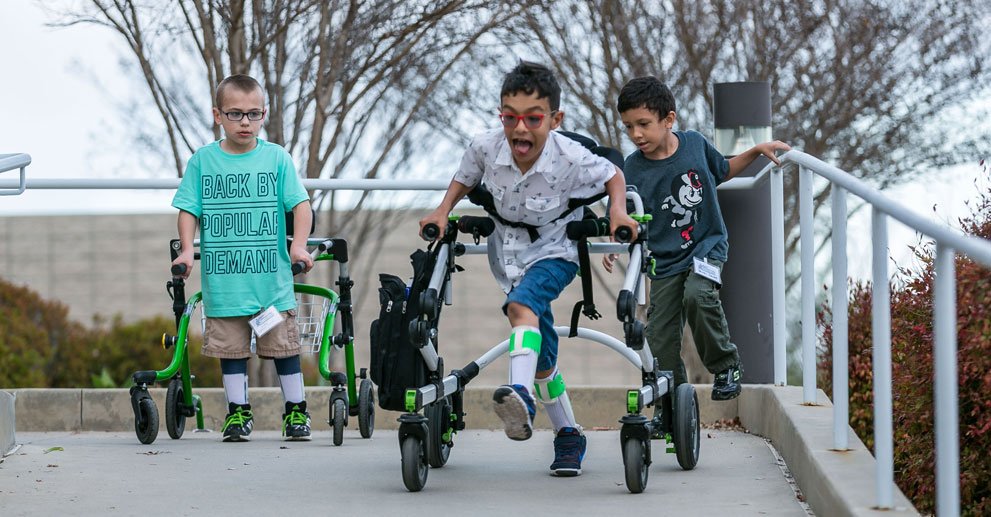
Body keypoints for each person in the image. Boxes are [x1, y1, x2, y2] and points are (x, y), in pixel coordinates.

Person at [419, 61, 638, 476]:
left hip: (557, 251)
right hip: (510, 256)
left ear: (555, 119)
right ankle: (569, 435)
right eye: (509, 117)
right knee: (541, 354)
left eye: (533, 119)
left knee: (521, 307)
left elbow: (613, 174)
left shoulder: (570, 157)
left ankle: (519, 393)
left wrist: (618, 212)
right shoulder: (485, 147)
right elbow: (463, 178)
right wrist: (443, 210)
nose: (520, 129)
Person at [604, 76, 790, 402]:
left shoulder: (694, 144)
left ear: (668, 119)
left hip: (705, 246)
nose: (636, 134)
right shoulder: (631, 169)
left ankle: (726, 366)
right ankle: (671, 405)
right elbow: (621, 214)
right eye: (629, 126)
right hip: (663, 261)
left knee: (698, 295)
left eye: (644, 124)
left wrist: (756, 150)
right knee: (658, 338)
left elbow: (723, 169)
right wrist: (616, 246)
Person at [171, 74, 315, 442]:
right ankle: (237, 413)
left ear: (264, 114)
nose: (245, 122)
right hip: (224, 282)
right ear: (218, 115)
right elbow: (189, 209)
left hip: (271, 283)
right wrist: (187, 250)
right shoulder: (203, 161)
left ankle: (296, 411)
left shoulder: (276, 158)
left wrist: (298, 245)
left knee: (284, 349)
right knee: (231, 351)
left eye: (254, 114)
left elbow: (300, 205)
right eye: (235, 114)